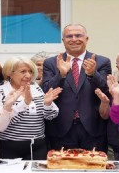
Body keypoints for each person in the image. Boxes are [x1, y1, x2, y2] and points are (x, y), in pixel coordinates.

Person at [42, 24, 112, 152]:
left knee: (94, 167)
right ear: (63, 40)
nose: (74, 39)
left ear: (87, 39)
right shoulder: (51, 63)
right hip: (61, 128)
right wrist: (61, 74)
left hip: (93, 128)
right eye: (69, 36)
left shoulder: (102, 61)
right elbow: (46, 91)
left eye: (78, 35)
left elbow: (107, 91)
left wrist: (93, 74)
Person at [0, 56, 62, 160]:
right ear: (10, 73)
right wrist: (24, 104)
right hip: (9, 147)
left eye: (30, 71)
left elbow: (50, 116)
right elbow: (2, 125)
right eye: (23, 71)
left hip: (38, 146)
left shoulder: (36, 88)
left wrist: (47, 104)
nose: (28, 75)